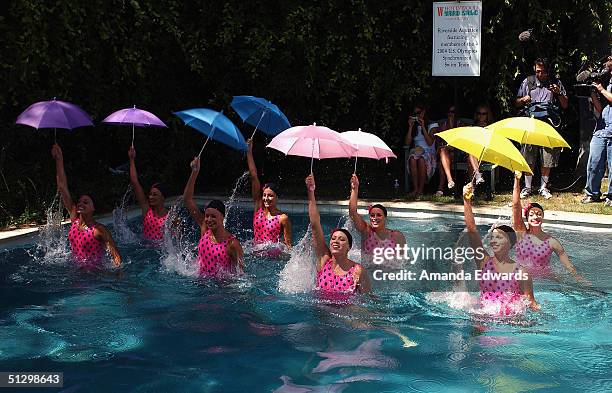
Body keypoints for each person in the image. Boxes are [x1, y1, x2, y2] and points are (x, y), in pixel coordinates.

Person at [463, 182, 539, 315]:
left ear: (510, 243)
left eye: (499, 237)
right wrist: (466, 201)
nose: (493, 240)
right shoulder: (483, 262)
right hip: (483, 317)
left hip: (509, 321)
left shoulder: (521, 272)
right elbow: (472, 231)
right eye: (492, 237)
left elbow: (530, 302)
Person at [51, 143, 121, 267]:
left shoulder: (98, 230)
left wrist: (118, 278)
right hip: (76, 272)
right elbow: (62, 187)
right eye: (80, 201)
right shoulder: (75, 220)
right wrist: (59, 159)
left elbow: (116, 256)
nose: (80, 204)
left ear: (93, 208)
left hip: (94, 275)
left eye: (86, 202)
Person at [512, 173, 588, 282]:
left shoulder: (552, 242)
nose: (536, 217)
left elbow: (567, 264)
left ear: (543, 217)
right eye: (532, 214)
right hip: (522, 278)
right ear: (527, 218)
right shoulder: (522, 233)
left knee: (566, 287)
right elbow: (515, 206)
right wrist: (517, 181)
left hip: (545, 279)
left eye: (539, 214)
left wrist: (577, 277)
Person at [306, 174, 371, 298]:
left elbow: (367, 299)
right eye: (334, 238)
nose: (336, 241)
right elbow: (315, 224)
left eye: (341, 239)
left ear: (349, 247)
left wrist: (355, 189)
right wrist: (310, 191)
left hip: (345, 315)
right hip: (321, 314)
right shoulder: (323, 260)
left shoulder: (357, 271)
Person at [515, 58, 569, 199]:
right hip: (531, 123)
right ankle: (527, 188)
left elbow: (565, 105)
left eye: (543, 72)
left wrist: (558, 93)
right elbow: (516, 102)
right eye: (538, 71)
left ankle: (543, 188)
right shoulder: (528, 82)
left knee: (548, 156)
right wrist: (523, 100)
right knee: (528, 155)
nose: (540, 74)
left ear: (548, 71)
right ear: (534, 69)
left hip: (548, 124)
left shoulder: (555, 83)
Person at [183, 156, 243, 277]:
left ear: (222, 217)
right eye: (207, 216)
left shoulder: (232, 244)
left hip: (219, 290)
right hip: (199, 285)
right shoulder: (205, 230)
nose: (209, 220)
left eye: (213, 216)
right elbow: (187, 200)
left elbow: (240, 275)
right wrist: (194, 172)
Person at [246, 139, 292, 252]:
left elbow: (288, 246)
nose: (266, 198)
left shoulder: (283, 218)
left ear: (277, 197)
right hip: (255, 255)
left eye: (270, 196)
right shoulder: (259, 209)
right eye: (264, 195)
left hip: (272, 259)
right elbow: (254, 176)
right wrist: (249, 152)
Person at [348, 173, 406, 259]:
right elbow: (353, 213)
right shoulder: (366, 231)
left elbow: (402, 260)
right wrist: (354, 189)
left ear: (385, 218)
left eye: (379, 215)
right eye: (372, 215)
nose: (375, 218)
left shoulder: (397, 236)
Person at [582, 56, 612, 206]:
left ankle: (611, 197)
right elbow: (600, 109)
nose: (607, 66)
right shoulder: (606, 81)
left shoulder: (605, 86)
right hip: (601, 129)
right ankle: (592, 193)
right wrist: (593, 92)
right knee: (594, 163)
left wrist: (601, 89)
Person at [128, 146, 169, 241]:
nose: (150, 197)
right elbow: (134, 181)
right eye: (150, 194)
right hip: (145, 248)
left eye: (155, 194)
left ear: (163, 197)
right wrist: (131, 159)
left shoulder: (171, 217)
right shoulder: (147, 209)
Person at [404, 104, 437, 198]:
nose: (417, 115)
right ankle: (415, 189)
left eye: (418, 113)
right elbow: (407, 143)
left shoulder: (433, 125)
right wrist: (410, 127)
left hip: (429, 152)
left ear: (423, 112)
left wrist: (423, 126)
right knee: (412, 159)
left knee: (422, 159)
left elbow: (430, 142)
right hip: (417, 151)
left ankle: (420, 190)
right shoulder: (414, 127)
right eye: (415, 113)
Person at [432, 104, 461, 195]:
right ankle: (450, 180)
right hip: (445, 153)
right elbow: (438, 143)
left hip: (458, 153)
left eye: (453, 112)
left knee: (442, 162)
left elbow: (462, 142)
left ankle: (441, 188)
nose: (450, 114)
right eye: (449, 112)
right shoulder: (442, 126)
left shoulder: (461, 125)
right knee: (442, 152)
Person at [467, 104, 495, 186]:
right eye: (479, 113)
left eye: (484, 114)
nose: (481, 116)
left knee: (470, 156)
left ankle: (473, 185)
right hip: (475, 153)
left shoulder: (491, 128)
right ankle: (477, 177)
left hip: (487, 153)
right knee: (470, 157)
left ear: (487, 115)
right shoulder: (473, 127)